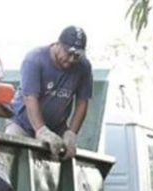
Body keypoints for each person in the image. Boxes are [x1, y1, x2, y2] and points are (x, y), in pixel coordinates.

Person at [6, 25, 92, 160]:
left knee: (54, 172)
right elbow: (30, 97)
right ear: (58, 44)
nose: (71, 60)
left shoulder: (83, 67)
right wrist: (41, 130)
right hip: (22, 125)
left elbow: (82, 102)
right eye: (68, 53)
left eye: (76, 56)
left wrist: (71, 134)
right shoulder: (35, 59)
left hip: (56, 131)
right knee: (12, 159)